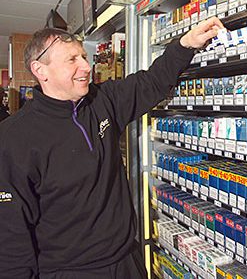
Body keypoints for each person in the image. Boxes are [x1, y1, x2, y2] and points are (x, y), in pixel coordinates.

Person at [0, 17, 224, 279]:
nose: (86, 66)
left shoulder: (101, 101)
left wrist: (186, 44)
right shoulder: (14, 137)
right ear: (40, 70)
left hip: (127, 260)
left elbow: (152, 82)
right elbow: (11, 234)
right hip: (71, 272)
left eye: (84, 56)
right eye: (72, 60)